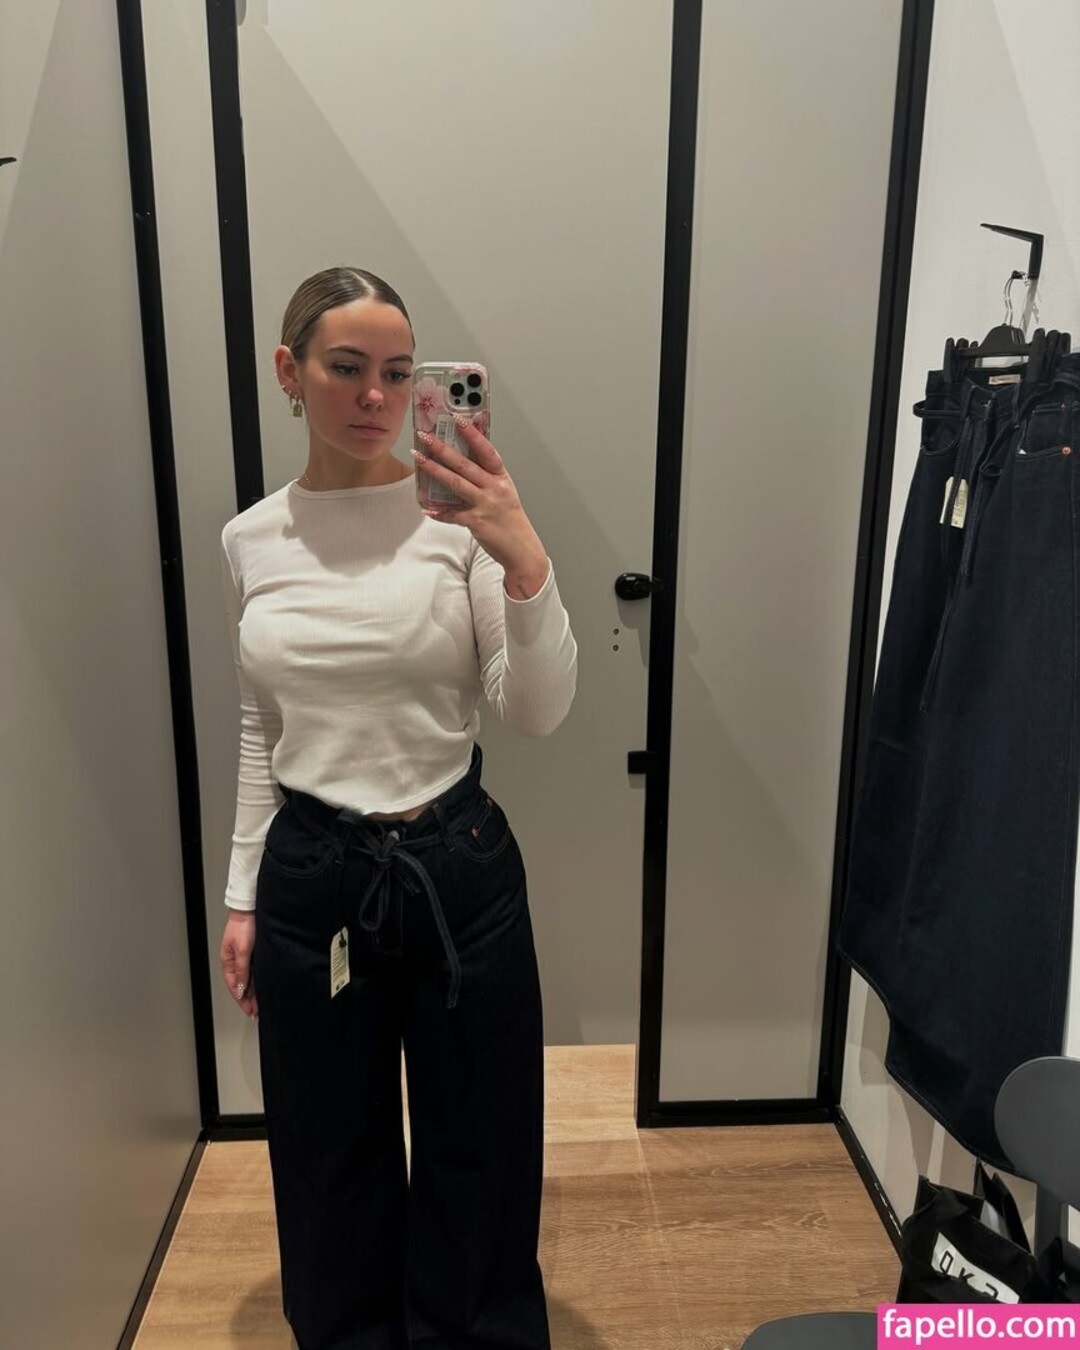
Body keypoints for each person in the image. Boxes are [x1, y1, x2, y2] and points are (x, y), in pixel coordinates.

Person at [217, 266, 577, 1350]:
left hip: (456, 864)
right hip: (309, 873)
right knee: (326, 1153)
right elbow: (260, 724)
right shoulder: (251, 540)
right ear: (290, 372)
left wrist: (525, 555)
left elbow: (535, 711)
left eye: (397, 371)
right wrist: (242, 896)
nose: (376, 395)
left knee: (483, 1143)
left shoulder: (458, 522)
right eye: (346, 368)